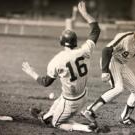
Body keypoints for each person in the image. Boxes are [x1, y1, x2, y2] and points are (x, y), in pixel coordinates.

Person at [22, 1, 100, 132]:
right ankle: (45, 116)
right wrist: (85, 14)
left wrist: (31, 72)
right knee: (60, 99)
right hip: (83, 95)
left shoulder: (57, 60)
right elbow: (96, 29)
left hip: (72, 101)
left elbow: (46, 82)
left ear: (62, 42)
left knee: (56, 123)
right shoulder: (84, 51)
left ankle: (87, 128)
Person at [81, 21, 135, 126]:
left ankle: (125, 118)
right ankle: (89, 110)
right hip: (111, 60)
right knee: (118, 88)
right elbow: (106, 50)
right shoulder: (125, 37)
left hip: (121, 64)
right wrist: (104, 71)